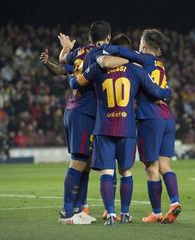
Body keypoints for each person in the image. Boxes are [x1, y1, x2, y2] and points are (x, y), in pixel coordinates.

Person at [69, 34, 171, 225]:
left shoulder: (98, 68)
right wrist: (168, 91)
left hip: (104, 127)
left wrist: (72, 74)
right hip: (127, 128)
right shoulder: (136, 69)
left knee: (107, 172)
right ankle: (125, 213)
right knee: (126, 172)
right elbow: (158, 92)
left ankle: (110, 214)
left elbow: (75, 83)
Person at [99, 29, 181, 223]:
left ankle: (156, 212)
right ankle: (175, 201)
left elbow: (122, 51)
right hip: (167, 116)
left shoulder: (143, 59)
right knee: (165, 165)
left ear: (143, 46)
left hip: (150, 117)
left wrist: (103, 47)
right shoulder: (159, 64)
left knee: (151, 168)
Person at [40, 20, 112, 224]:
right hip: (83, 113)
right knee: (79, 161)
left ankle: (79, 209)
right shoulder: (99, 54)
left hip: (75, 111)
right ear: (107, 38)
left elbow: (62, 67)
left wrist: (60, 54)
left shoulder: (80, 52)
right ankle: (66, 211)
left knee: (87, 162)